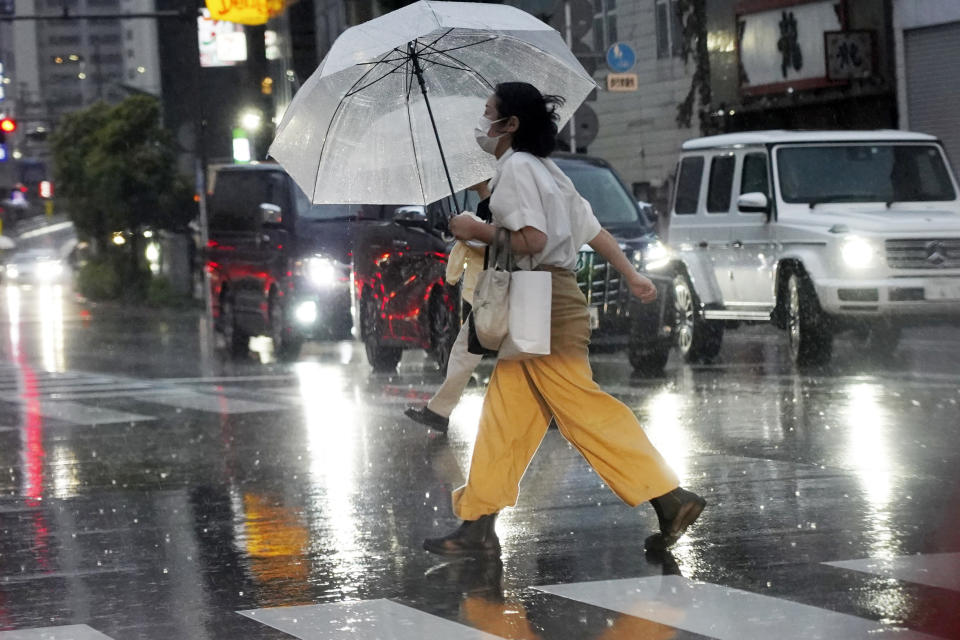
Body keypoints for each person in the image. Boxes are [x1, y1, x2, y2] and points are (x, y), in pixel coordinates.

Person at [422, 82, 706, 556]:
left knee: (582, 409)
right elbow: (592, 230)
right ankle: (477, 524)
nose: (482, 120)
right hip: (551, 299)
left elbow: (531, 240)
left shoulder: (515, 168)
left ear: (510, 125)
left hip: (543, 303)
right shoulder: (548, 170)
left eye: (489, 112)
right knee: (504, 417)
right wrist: (632, 275)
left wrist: (474, 228)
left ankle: (669, 496)